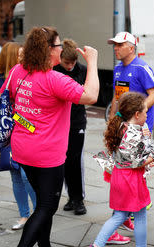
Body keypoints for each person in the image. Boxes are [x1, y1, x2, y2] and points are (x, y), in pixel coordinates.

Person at [0, 26, 99, 247]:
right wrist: (94, 61)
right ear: (47, 50)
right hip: (47, 154)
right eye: (56, 46)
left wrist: (29, 121)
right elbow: (91, 95)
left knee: (42, 200)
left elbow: (6, 97)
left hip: (22, 149)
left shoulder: (18, 72)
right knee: (47, 206)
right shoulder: (54, 79)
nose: (60, 50)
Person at [85, 92, 154, 247]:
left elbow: (130, 153)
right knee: (138, 214)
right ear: (137, 115)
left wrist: (145, 137)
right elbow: (138, 161)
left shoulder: (122, 126)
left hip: (120, 176)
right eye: (145, 112)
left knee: (121, 215)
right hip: (131, 179)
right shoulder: (133, 134)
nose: (147, 114)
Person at [107, 31, 154, 234]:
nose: (115, 48)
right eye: (114, 45)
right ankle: (129, 211)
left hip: (139, 128)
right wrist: (112, 121)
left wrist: (135, 114)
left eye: (119, 45)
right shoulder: (118, 68)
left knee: (136, 169)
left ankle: (135, 207)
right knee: (124, 168)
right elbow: (116, 97)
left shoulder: (141, 67)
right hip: (122, 128)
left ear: (131, 47)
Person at [0, 42, 37, 231]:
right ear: (11, 57)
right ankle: (24, 215)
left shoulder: (26, 74)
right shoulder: (1, 78)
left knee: (27, 176)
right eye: (19, 55)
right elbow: (9, 98)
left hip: (24, 129)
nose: (22, 58)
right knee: (16, 175)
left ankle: (39, 212)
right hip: (10, 128)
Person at [53, 39, 88, 215]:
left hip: (76, 122)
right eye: (67, 62)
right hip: (60, 123)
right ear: (60, 58)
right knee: (64, 161)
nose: (70, 66)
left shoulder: (82, 70)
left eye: (73, 63)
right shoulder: (54, 71)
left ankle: (79, 199)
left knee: (75, 160)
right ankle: (71, 197)